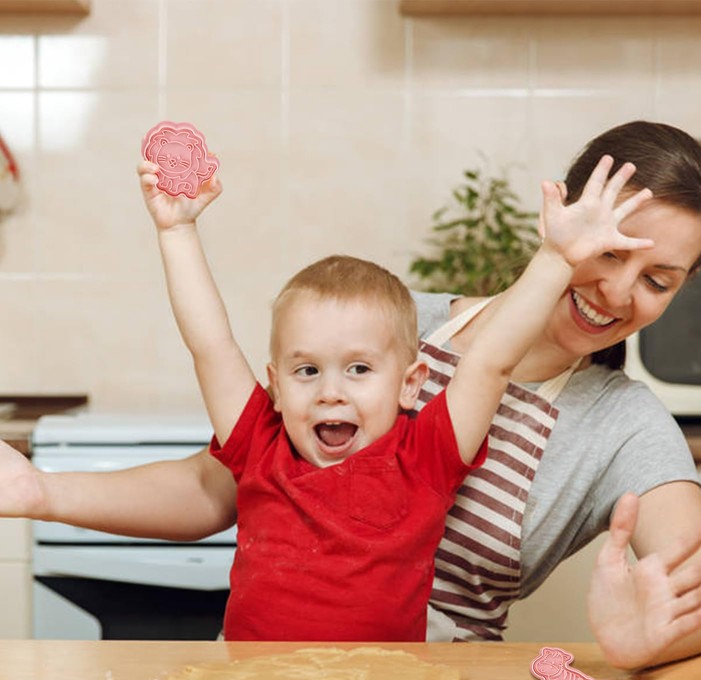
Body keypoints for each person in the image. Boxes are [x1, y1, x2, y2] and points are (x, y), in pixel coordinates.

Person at [0, 121, 701, 668]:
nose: (617, 290)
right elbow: (220, 476)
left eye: (658, 281)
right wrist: (42, 491)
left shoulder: (622, 424)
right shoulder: (386, 324)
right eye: (608, 250)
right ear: (560, 217)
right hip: (257, 677)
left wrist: (648, 637)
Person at [134, 146, 652, 643]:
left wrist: (557, 260)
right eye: (307, 371)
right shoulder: (259, 446)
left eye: (358, 369)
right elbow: (211, 345)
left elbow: (491, 362)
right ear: (276, 387)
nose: (330, 393)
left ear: (410, 384)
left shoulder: (424, 460)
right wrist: (177, 231)